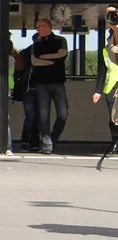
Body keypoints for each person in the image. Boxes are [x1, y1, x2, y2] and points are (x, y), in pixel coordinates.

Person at [29, 18, 68, 154]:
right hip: (41, 84)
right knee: (43, 115)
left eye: (38, 27)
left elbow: (63, 55)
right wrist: (53, 59)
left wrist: (44, 57)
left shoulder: (60, 40)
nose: (37, 30)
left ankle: (53, 138)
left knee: (63, 114)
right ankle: (47, 144)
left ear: (47, 27)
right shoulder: (36, 44)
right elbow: (35, 61)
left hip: (58, 82)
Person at [93, 6, 118, 146]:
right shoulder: (109, 42)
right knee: (113, 117)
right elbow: (102, 69)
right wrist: (98, 90)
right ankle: (115, 140)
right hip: (111, 87)